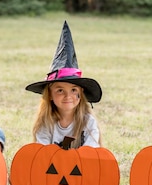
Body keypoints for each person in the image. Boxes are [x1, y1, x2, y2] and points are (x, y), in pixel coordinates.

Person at [25, 21, 102, 149]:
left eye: (73, 90)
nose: (68, 96)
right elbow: (42, 154)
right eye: (60, 90)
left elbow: (91, 153)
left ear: (81, 93)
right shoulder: (46, 122)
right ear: (49, 94)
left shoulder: (88, 122)